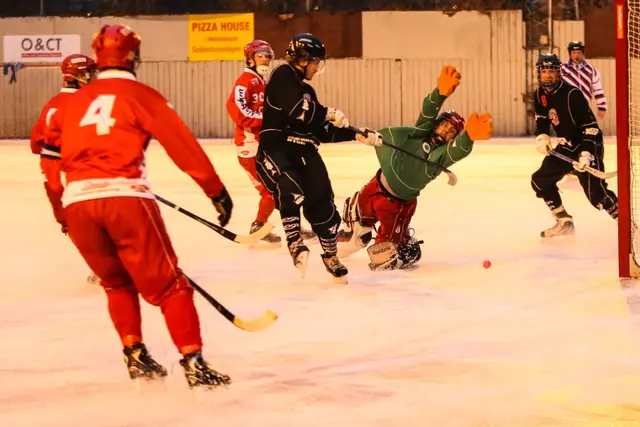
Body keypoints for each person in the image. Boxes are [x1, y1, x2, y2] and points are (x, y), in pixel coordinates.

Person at [41, 24, 233, 389]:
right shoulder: (141, 94)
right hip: (125, 196)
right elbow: (181, 144)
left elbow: (51, 169)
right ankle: (193, 362)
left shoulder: (69, 102)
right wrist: (215, 190)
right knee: (171, 286)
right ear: (132, 56)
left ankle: (136, 355)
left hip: (79, 203)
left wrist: (61, 210)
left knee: (116, 283)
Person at [337, 65, 494, 270]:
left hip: (396, 206)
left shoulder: (439, 157)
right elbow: (427, 113)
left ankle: (398, 247)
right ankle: (356, 230)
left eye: (452, 132)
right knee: (354, 228)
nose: (446, 131)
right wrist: (439, 94)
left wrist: (468, 138)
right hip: (375, 187)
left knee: (384, 253)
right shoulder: (418, 133)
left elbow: (456, 150)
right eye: (444, 125)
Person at [256, 32, 382, 283]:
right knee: (290, 185)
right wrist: (329, 112)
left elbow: (320, 130)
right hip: (278, 148)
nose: (317, 68)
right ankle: (294, 242)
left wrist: (356, 134)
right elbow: (297, 110)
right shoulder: (283, 75)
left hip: (305, 151)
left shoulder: (308, 91)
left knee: (322, 200)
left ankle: (330, 255)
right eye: (315, 62)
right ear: (302, 60)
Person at [225, 39, 314, 246]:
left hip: (263, 145)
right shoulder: (245, 81)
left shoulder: (262, 81)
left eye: (267, 55)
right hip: (250, 147)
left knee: (285, 185)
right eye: (260, 55)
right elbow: (238, 111)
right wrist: (266, 121)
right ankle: (263, 225)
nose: (265, 58)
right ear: (249, 58)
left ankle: (281, 224)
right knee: (274, 190)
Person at [531, 53, 618, 238]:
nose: (547, 75)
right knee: (539, 181)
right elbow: (542, 119)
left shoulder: (572, 94)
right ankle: (564, 221)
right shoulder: (539, 94)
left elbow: (591, 128)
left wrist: (586, 153)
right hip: (566, 147)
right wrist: (543, 136)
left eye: (551, 71)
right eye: (544, 71)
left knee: (598, 196)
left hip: (587, 145)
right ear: (538, 73)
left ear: (559, 72)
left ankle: (629, 225)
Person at [33, 53, 99, 284]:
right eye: (88, 72)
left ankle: (98, 265)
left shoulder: (52, 103)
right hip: (76, 170)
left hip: (52, 173)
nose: (92, 76)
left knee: (70, 222)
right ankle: (109, 265)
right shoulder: (86, 103)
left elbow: (35, 142)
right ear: (76, 75)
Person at [561, 41, 608, 119]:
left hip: (584, 108)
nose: (577, 55)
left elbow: (597, 89)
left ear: (583, 53)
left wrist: (602, 107)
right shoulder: (562, 69)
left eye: (579, 52)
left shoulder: (591, 69)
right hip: (566, 108)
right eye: (574, 53)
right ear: (570, 54)